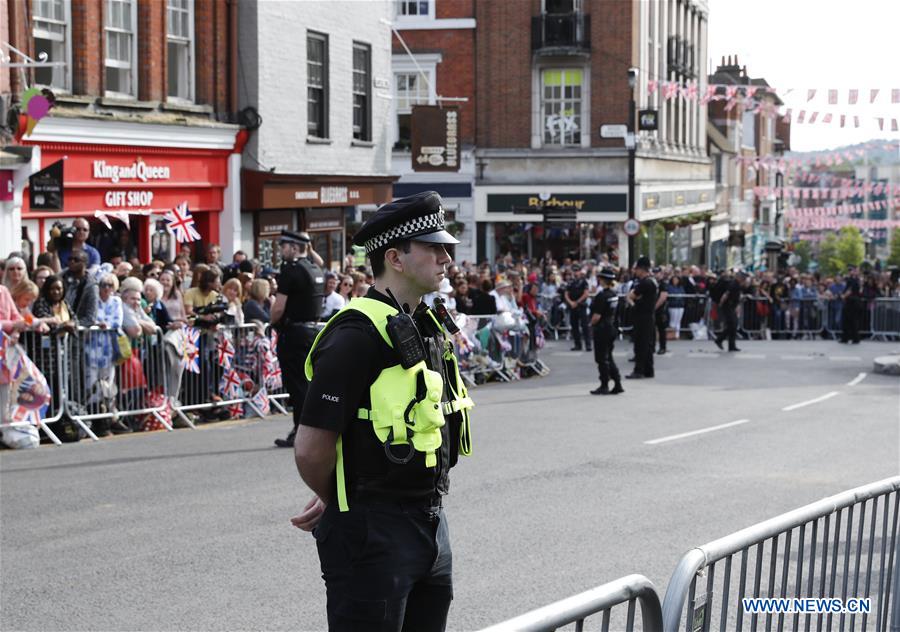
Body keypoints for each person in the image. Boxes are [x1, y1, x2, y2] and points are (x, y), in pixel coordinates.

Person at [290, 190, 473, 632]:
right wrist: (342, 498)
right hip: (374, 530)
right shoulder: (355, 334)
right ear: (395, 258)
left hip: (430, 520)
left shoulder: (424, 323)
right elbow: (311, 449)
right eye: (433, 247)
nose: (446, 258)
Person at [272, 230, 325, 448]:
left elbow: (278, 307)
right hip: (313, 331)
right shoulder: (315, 268)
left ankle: (301, 433)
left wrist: (272, 322)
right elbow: (319, 261)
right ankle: (312, 431)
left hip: (294, 333)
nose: (281, 250)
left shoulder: (291, 270)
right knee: (308, 383)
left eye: (284, 246)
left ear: (294, 247)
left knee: (297, 385)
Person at [589, 267, 623, 395]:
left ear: (602, 280)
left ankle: (604, 385)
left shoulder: (602, 296)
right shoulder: (614, 295)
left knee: (601, 358)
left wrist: (590, 324)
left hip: (602, 329)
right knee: (609, 356)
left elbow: (596, 316)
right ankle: (617, 383)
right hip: (611, 327)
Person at [626, 256, 657, 378]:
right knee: (647, 344)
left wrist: (633, 303)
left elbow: (630, 296)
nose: (635, 271)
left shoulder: (644, 283)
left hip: (642, 316)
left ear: (642, 269)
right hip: (648, 316)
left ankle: (639, 370)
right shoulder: (652, 281)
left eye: (637, 269)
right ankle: (648, 370)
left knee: (640, 344)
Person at [62, 250, 99, 326]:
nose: (72, 262)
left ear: (85, 263)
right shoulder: (62, 278)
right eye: (70, 259)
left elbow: (90, 318)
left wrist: (74, 324)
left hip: (78, 330)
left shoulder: (91, 286)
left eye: (76, 260)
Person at [714, 270, 743, 352]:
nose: (743, 279)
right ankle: (720, 340)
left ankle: (731, 345)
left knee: (733, 325)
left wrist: (737, 306)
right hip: (727, 306)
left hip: (731, 306)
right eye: (742, 277)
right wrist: (721, 303)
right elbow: (726, 294)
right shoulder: (733, 284)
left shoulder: (737, 284)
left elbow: (736, 297)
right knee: (732, 324)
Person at [564, 264, 591, 351]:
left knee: (585, 326)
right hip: (572, 306)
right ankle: (577, 344)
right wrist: (571, 302)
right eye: (574, 271)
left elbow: (586, 293)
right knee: (574, 326)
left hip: (581, 305)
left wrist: (577, 302)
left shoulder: (584, 281)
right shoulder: (570, 282)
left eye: (577, 271)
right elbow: (566, 294)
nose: (576, 273)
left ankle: (588, 344)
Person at [840, 265, 862, 344]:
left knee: (852, 321)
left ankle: (853, 338)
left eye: (852, 270)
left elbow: (850, 290)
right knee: (847, 321)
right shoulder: (852, 279)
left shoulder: (854, 280)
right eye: (849, 270)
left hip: (853, 302)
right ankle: (847, 338)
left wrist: (844, 296)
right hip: (851, 301)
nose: (850, 272)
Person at [653, 268, 670, 355]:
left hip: (660, 310)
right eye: (654, 272)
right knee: (652, 330)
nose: (656, 274)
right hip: (652, 310)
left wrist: (654, 307)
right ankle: (652, 347)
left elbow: (663, 297)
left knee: (661, 329)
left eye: (657, 273)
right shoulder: (652, 283)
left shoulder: (663, 284)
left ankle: (662, 347)